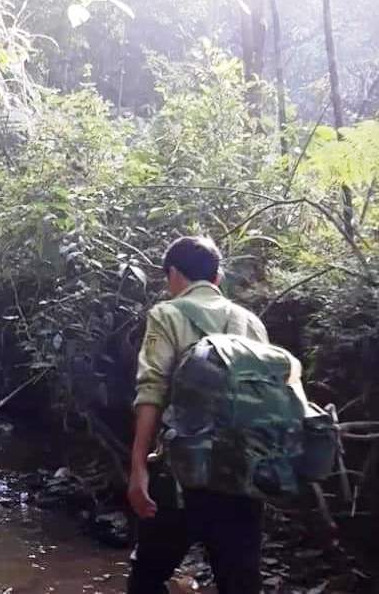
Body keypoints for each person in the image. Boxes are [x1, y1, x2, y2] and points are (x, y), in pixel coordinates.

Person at [126, 236, 269, 594]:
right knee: (241, 584)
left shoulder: (167, 314)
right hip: (243, 475)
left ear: (173, 274)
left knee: (147, 578)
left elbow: (152, 391)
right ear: (217, 278)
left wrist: (139, 467)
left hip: (181, 476)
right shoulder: (250, 322)